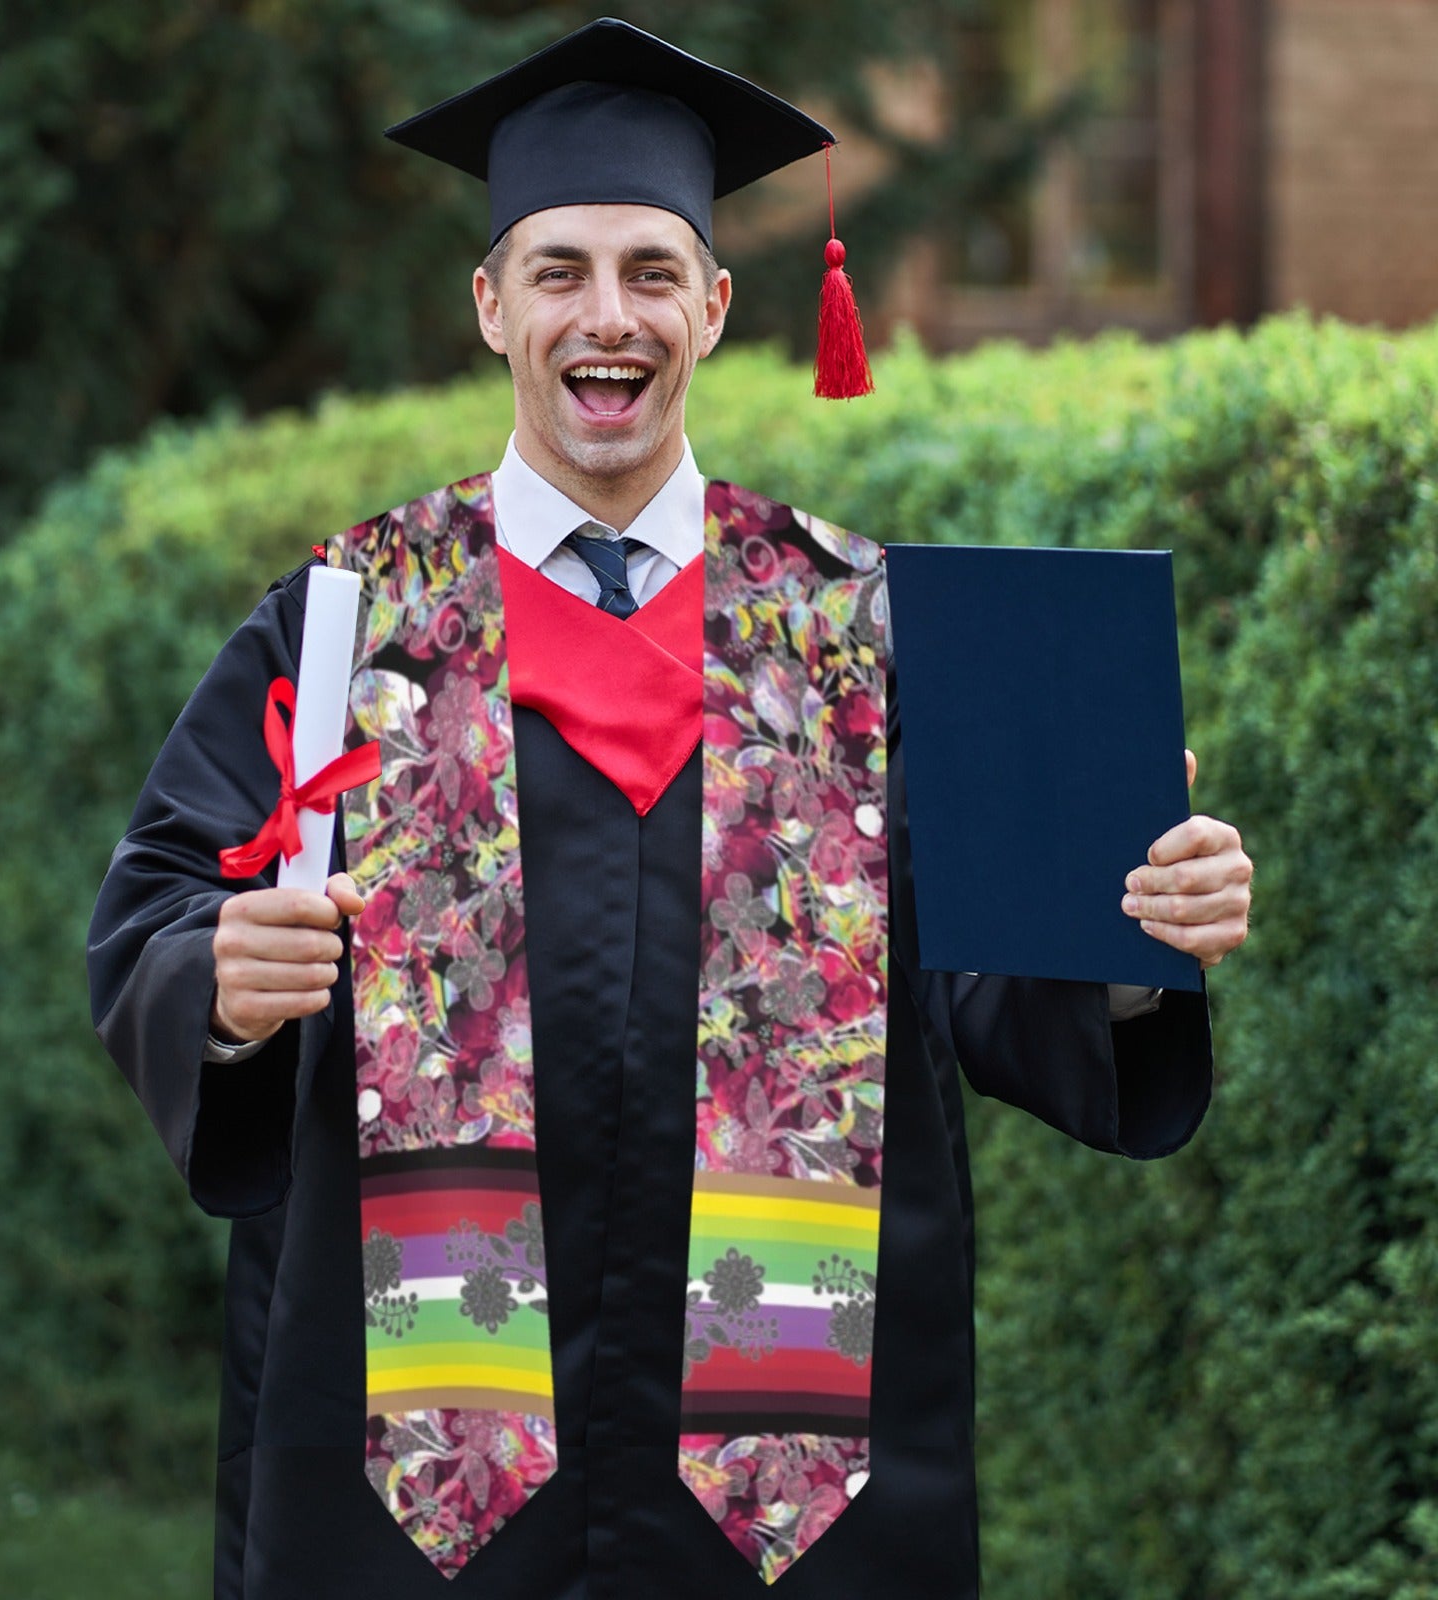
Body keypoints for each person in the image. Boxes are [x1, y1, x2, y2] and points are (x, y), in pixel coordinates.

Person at [87, 19, 1252, 1600]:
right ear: (493, 305)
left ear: (714, 305)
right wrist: (218, 983)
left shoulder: (860, 628)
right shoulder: (355, 625)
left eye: (650, 270)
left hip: (788, 1482)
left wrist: (1130, 933)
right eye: (559, 270)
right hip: (427, 1467)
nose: (606, 316)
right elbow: (162, 902)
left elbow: (988, 977)